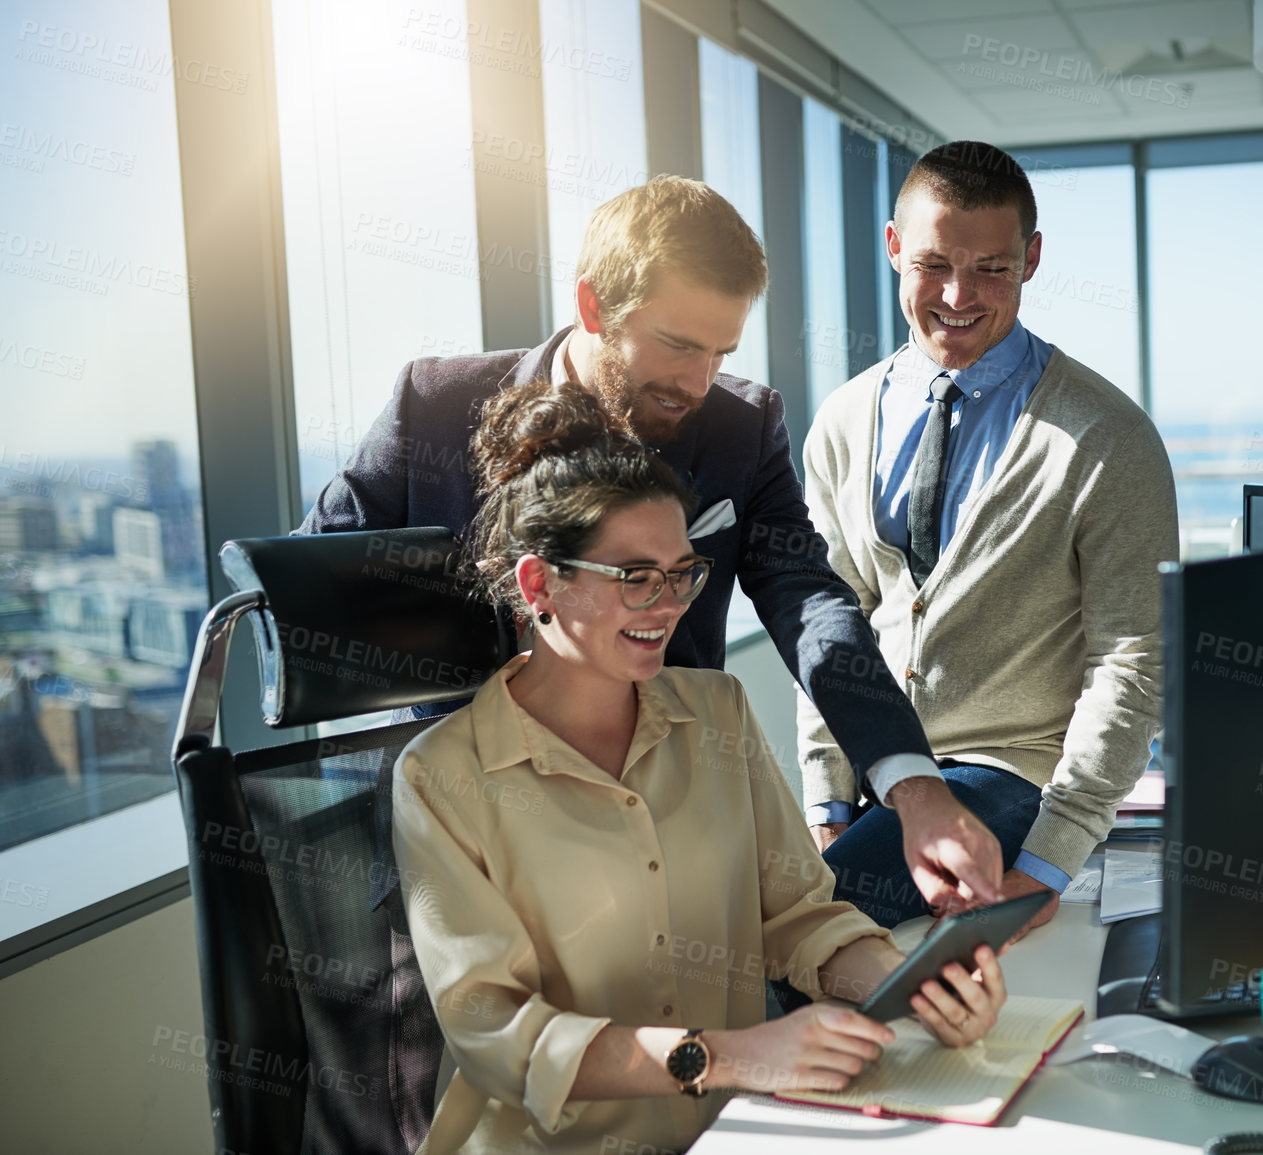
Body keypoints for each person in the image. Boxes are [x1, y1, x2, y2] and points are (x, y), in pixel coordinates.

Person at [300, 176, 1002, 917]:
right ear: (593, 305)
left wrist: (912, 784)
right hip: (462, 840)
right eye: (676, 345)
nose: (697, 382)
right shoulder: (435, 407)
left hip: (661, 845)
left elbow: (808, 601)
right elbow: (311, 591)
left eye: (720, 351)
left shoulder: (742, 425)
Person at [395, 383, 1008, 1154]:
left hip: (737, 1131)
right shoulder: (441, 776)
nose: (668, 603)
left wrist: (907, 979)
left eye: (682, 572)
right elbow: (497, 1033)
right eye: (635, 576)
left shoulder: (714, 711)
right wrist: (731, 1055)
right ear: (538, 582)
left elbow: (798, 916)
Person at [800, 141, 1180, 931]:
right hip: (883, 773)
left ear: (1031, 259)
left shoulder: (1107, 435)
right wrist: (827, 797)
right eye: (933, 262)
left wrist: (1046, 862)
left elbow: (1130, 661)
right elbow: (831, 620)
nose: (958, 295)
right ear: (892, 246)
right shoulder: (842, 419)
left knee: (817, 929)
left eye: (992, 268)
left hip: (1010, 776)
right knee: (758, 917)